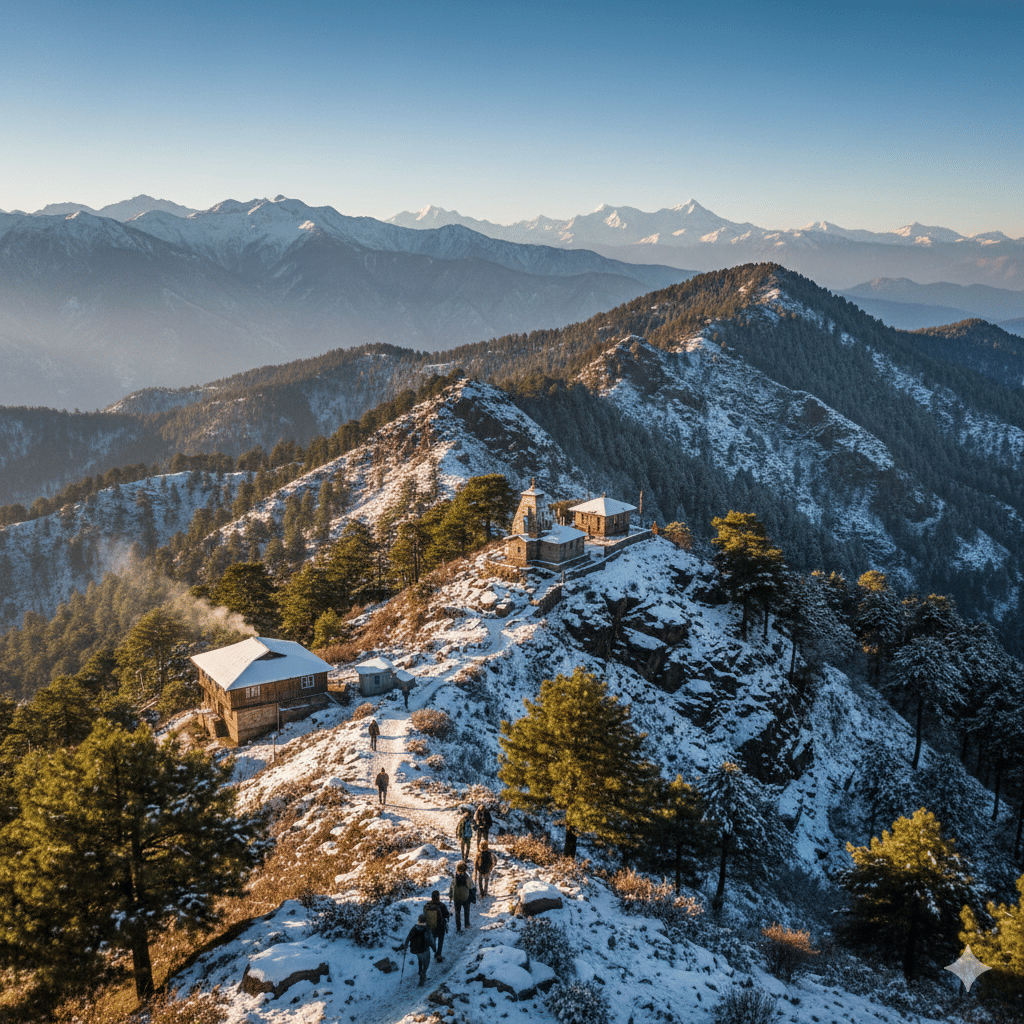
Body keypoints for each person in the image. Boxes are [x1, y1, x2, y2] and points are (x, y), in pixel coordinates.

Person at [395, 914, 436, 986]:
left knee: (420, 961)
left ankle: (421, 973)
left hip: (416, 950)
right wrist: (434, 949)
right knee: (426, 963)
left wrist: (405, 947)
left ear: (418, 920)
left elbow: (408, 938)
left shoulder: (414, 928)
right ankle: (422, 979)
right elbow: (431, 940)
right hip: (424, 950)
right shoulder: (426, 929)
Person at [422, 889, 451, 963]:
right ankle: (438, 955)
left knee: (433, 940)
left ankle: (431, 953)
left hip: (431, 927)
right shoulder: (442, 905)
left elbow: (424, 916)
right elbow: (446, 915)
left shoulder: (426, 906)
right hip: (440, 927)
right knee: (440, 941)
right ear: (438, 897)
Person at [449, 860, 473, 932]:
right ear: (465, 870)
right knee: (466, 911)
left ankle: (458, 928)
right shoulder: (467, 878)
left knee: (457, 913)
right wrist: (472, 898)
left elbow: (451, 888)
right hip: (465, 898)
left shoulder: (455, 879)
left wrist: (451, 897)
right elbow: (471, 887)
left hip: (456, 898)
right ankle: (467, 924)